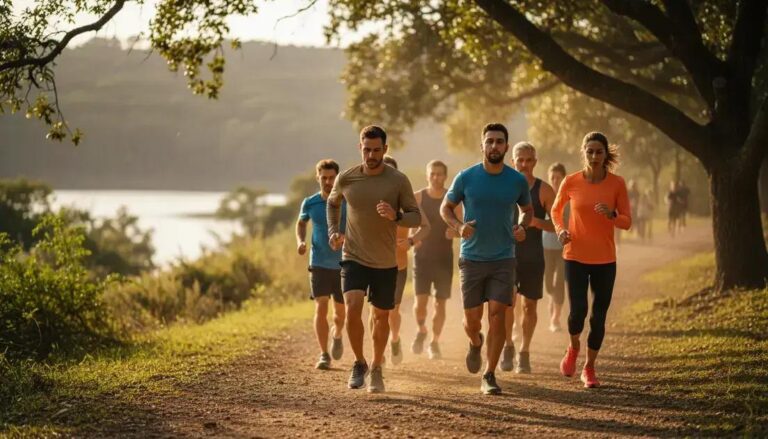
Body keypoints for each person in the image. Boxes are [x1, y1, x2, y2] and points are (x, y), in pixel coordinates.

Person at [327, 125, 421, 393]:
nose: (371, 155)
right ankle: (359, 363)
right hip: (353, 256)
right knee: (352, 308)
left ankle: (377, 367)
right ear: (360, 148)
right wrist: (334, 230)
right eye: (366, 149)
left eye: (376, 150)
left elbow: (416, 216)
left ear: (385, 150)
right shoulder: (346, 178)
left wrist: (396, 216)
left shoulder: (398, 180)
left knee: (381, 317)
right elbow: (332, 203)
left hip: (385, 261)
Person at [441, 123, 533, 395]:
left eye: (500, 141)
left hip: (504, 258)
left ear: (506, 146)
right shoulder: (466, 177)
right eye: (490, 141)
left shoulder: (516, 180)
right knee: (472, 321)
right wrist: (459, 227)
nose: (494, 146)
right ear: (482, 145)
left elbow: (526, 210)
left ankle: (489, 374)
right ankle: (475, 342)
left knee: (497, 314)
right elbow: (445, 207)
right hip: (471, 258)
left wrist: (522, 226)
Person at [552, 131, 631, 388]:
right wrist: (561, 230)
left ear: (606, 154)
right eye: (590, 151)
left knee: (598, 317)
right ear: (583, 152)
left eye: (599, 152)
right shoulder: (571, 181)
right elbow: (555, 210)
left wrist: (612, 215)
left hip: (605, 260)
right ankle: (573, 348)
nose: (594, 156)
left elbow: (627, 222)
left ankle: (589, 367)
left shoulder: (617, 184)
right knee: (578, 313)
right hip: (575, 256)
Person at [500, 142, 556, 374]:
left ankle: (524, 351)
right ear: (512, 161)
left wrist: (535, 222)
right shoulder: (502, 187)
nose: (524, 164)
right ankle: (508, 346)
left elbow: (556, 224)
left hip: (533, 255)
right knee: (507, 303)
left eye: (528, 160)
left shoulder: (544, 190)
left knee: (529, 305)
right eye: (519, 160)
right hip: (506, 254)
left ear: (535, 161)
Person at [297, 160, 348, 370]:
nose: (328, 182)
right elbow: (301, 222)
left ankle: (337, 334)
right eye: (324, 178)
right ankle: (324, 353)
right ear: (318, 178)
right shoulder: (310, 202)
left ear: (337, 178)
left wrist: (346, 237)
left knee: (341, 313)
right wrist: (300, 241)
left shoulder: (347, 201)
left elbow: (356, 226)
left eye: (331, 178)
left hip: (344, 262)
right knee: (321, 306)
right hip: (318, 262)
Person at [381, 155, 430, 365]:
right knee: (376, 311)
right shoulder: (369, 201)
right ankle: (378, 353)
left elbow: (425, 227)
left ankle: (394, 338)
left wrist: (410, 241)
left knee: (392, 312)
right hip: (372, 264)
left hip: (398, 266)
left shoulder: (407, 202)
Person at [411, 160, 460, 360]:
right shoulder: (418, 197)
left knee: (440, 304)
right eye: (432, 174)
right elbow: (408, 223)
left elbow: (461, 227)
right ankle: (422, 330)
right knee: (420, 303)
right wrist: (413, 238)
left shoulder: (452, 199)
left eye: (440, 174)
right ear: (427, 175)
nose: (436, 177)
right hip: (421, 258)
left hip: (443, 258)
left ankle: (434, 342)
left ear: (445, 176)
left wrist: (454, 233)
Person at [542, 163, 568, 332]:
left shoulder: (569, 197)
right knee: (548, 283)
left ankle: (556, 318)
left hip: (564, 247)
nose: (555, 180)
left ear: (563, 179)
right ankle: (552, 299)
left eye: (558, 177)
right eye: (552, 177)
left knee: (559, 282)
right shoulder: (543, 196)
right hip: (545, 246)